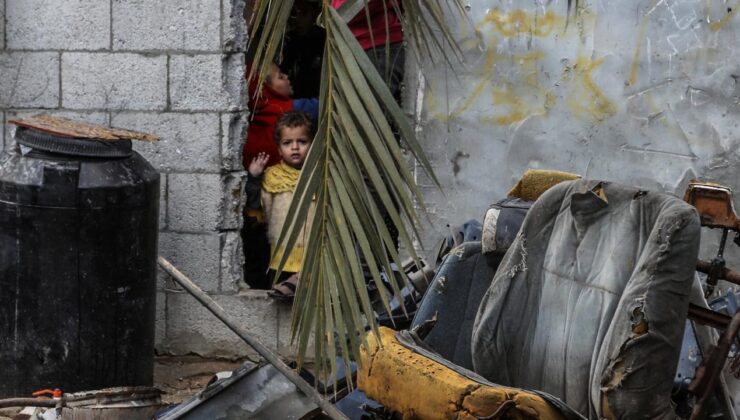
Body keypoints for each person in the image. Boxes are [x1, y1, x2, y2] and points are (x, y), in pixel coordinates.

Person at [245, 111, 315, 300]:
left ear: (313, 145)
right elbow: (257, 212)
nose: (295, 148)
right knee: (280, 301)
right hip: (280, 256)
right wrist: (254, 178)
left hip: (313, 257)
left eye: (302, 142)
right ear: (278, 149)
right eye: (287, 143)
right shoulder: (272, 177)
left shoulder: (320, 176)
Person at [243, 62, 319, 169]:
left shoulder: (249, 130)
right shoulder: (293, 108)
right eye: (281, 76)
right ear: (265, 90)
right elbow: (325, 104)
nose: (286, 76)